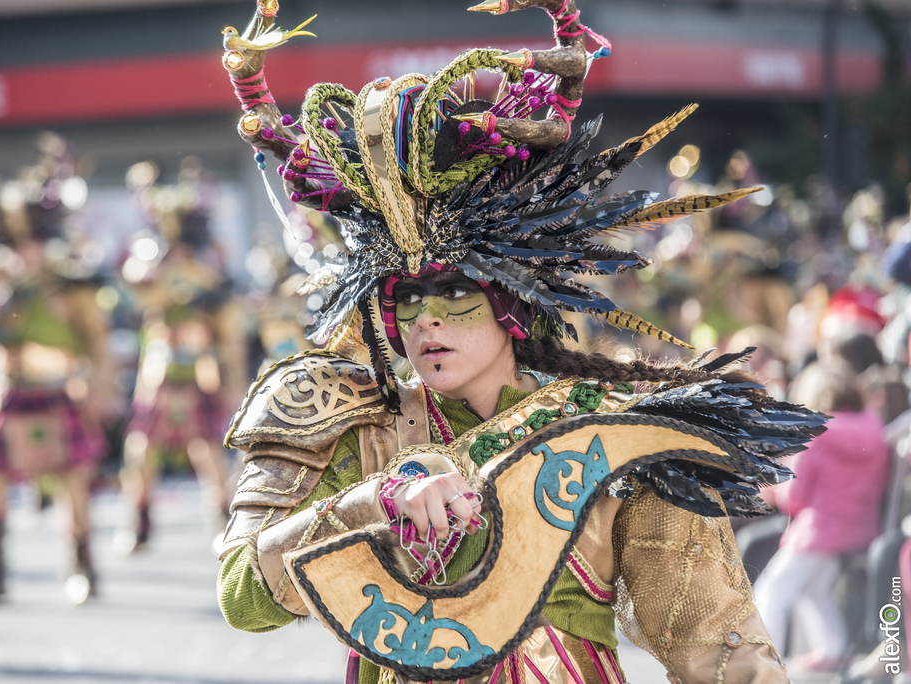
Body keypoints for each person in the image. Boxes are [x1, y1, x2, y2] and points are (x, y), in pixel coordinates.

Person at [215, 1, 827, 682]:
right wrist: (372, 504)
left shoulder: (612, 431)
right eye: (406, 299)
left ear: (510, 299)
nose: (426, 321)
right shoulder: (350, 421)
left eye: (455, 292)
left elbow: (716, 645)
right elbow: (243, 598)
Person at [0, 133, 120, 603]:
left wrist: (101, 388)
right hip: (8, 391)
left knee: (74, 485)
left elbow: (99, 343)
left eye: (32, 240)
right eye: (14, 241)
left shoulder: (72, 286)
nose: (24, 250)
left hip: (58, 390)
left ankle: (82, 565)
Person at [116, 158, 243, 553]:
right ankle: (139, 521)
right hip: (160, 370)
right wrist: (166, 271)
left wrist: (234, 381)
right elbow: (138, 290)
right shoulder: (151, 264)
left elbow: (229, 326)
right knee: (140, 450)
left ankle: (224, 520)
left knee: (208, 451)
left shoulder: (211, 271)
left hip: (201, 369)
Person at [753, 361, 891, 673]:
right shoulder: (874, 428)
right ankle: (832, 649)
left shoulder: (815, 433)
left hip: (819, 531)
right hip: (860, 530)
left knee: (772, 591)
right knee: (815, 588)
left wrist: (773, 492)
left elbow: (795, 496)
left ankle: (764, 661)